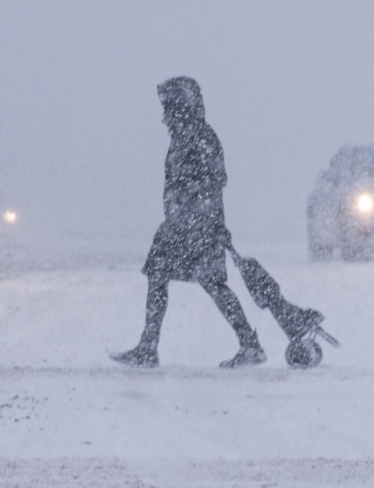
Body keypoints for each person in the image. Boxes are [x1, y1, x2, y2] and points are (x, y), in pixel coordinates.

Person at [111, 77, 264, 368]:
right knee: (161, 277)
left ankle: (250, 344)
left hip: (198, 226)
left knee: (211, 283)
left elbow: (215, 183)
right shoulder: (183, 136)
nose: (164, 116)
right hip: (179, 225)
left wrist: (205, 217)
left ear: (181, 106)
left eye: (168, 107)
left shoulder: (202, 137)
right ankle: (148, 346)